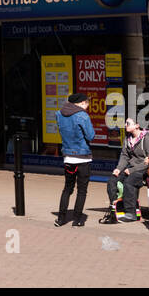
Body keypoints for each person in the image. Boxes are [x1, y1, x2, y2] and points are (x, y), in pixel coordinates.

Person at [55, 94, 96, 226]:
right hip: (83, 158)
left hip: (68, 157)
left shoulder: (59, 114)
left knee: (67, 188)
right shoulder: (82, 115)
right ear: (82, 103)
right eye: (87, 103)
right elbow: (91, 136)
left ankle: (61, 219)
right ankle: (77, 220)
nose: (88, 106)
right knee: (82, 190)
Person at [101, 118, 149, 223]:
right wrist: (119, 169)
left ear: (137, 125)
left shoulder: (147, 138)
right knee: (112, 180)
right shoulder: (128, 138)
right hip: (131, 168)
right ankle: (115, 207)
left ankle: (131, 213)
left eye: (128, 123)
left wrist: (133, 170)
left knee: (129, 182)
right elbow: (124, 156)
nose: (125, 125)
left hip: (143, 169)